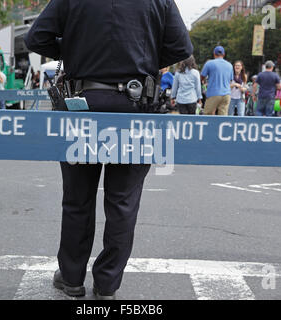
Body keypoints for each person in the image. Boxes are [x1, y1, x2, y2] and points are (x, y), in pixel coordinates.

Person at [24, 0, 192, 300]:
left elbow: (36, 38)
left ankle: (72, 278)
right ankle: (107, 284)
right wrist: (147, 54)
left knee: (77, 199)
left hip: (81, 103)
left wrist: (74, 48)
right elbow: (181, 47)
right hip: (136, 107)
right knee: (123, 202)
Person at [200, 46, 234, 116]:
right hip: (226, 94)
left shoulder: (209, 63)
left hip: (213, 93)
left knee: (207, 115)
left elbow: (202, 77)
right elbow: (230, 80)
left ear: (214, 54)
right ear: (224, 54)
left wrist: (203, 82)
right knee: (223, 117)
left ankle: (210, 127)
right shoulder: (229, 65)